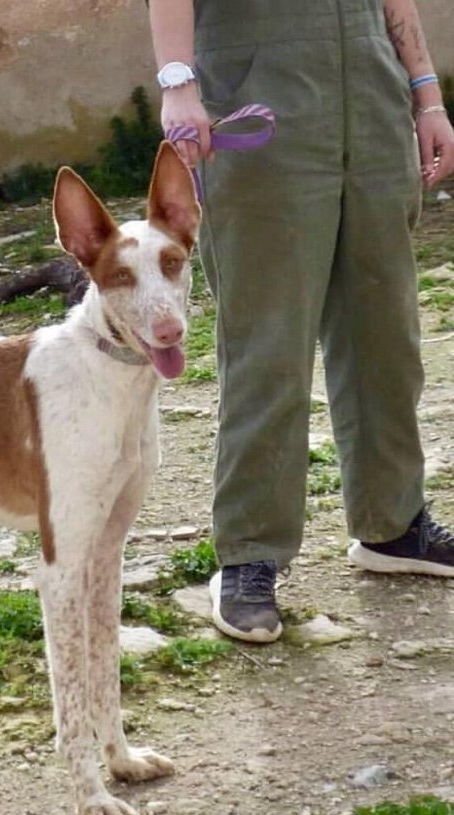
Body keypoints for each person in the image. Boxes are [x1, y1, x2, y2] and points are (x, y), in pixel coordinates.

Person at [147, 0, 454, 643]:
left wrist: (425, 93)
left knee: (385, 330)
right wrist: (178, 82)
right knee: (269, 340)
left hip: (374, 91)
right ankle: (249, 552)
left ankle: (393, 524)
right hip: (257, 83)